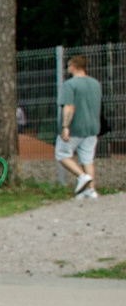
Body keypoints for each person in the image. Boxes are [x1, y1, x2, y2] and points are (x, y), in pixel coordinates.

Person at [59, 54, 101, 198]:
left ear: (74, 66)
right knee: (87, 159)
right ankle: (91, 189)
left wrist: (65, 126)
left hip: (75, 127)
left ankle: (82, 176)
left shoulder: (70, 84)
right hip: (92, 127)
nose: (68, 68)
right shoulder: (96, 83)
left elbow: (69, 106)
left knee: (62, 154)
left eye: (69, 65)